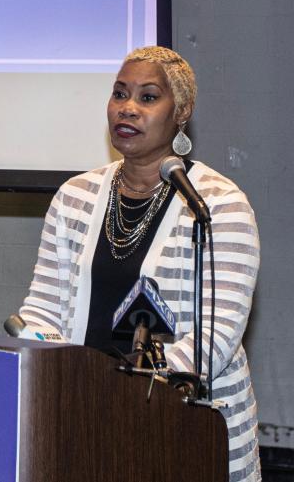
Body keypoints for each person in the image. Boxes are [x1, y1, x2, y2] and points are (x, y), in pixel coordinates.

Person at [19, 46, 260, 481]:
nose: (127, 109)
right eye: (119, 94)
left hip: (182, 422)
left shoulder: (218, 204)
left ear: (180, 111)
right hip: (82, 415)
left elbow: (219, 333)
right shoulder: (74, 196)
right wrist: (43, 356)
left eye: (148, 98)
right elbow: (43, 306)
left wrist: (133, 393)